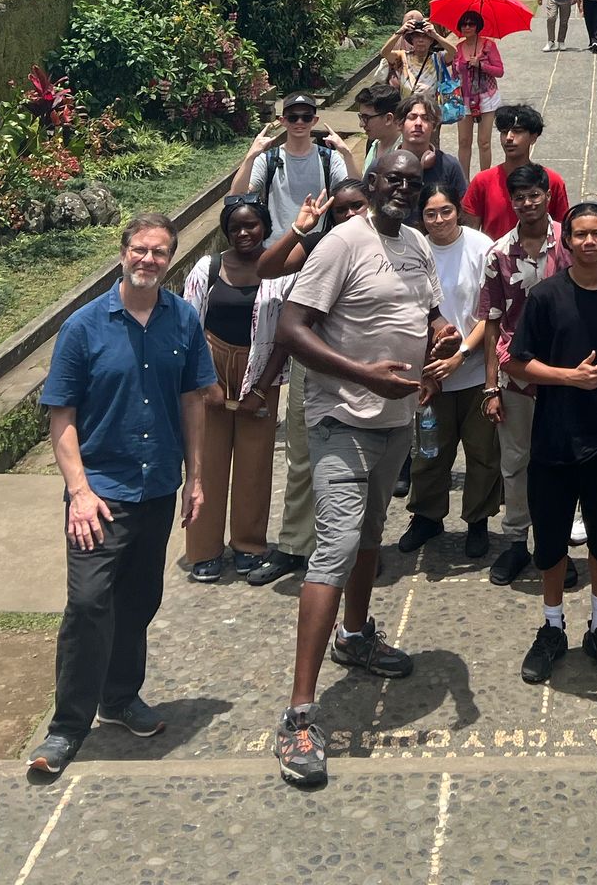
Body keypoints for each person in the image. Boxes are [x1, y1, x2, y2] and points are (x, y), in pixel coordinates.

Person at [272, 149, 446, 789]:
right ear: (371, 184)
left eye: (412, 181)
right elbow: (292, 327)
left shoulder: (417, 245)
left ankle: (356, 633)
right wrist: (364, 374)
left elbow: (429, 315)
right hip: (341, 417)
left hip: (394, 423)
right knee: (338, 546)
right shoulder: (342, 243)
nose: (401, 188)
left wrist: (444, 336)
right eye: (390, 179)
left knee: (371, 537)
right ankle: (298, 713)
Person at [28, 214, 216, 778]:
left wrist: (197, 477)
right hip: (100, 493)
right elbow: (61, 416)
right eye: (140, 250)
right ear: (122, 253)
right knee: (88, 605)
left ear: (171, 259)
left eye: (160, 253)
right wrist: (79, 493)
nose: (148, 260)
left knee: (138, 602)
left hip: (156, 485)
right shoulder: (83, 327)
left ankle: (120, 697)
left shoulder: (182, 320)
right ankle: (66, 728)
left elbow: (193, 402)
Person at [508, 201, 597, 687]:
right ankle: (552, 628)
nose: (589, 241)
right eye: (580, 234)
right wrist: (567, 378)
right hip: (554, 441)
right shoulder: (547, 296)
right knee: (549, 544)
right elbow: (517, 362)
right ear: (565, 241)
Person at [246, 179, 369, 587]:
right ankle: (296, 544)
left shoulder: (388, 243)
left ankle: (359, 549)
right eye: (342, 210)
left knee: (362, 460)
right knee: (301, 457)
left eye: (359, 206)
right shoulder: (319, 245)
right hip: (312, 364)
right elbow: (265, 270)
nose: (351, 215)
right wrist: (299, 229)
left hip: (364, 367)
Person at [181, 197, 291, 582]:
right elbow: (187, 327)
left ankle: (248, 544)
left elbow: (287, 333)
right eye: (236, 228)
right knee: (206, 463)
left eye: (252, 226)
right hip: (211, 370)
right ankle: (203, 549)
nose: (244, 233)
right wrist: (202, 382)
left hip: (261, 372)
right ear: (226, 231)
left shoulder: (282, 270)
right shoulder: (208, 268)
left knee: (255, 464)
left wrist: (262, 388)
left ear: (266, 227)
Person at [478, 162, 573, 586]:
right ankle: (517, 543)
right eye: (519, 197)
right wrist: (490, 386)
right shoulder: (498, 253)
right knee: (515, 463)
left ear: (547, 195)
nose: (528, 203)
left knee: (561, 463)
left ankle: (554, 548)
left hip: (564, 374)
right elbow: (492, 321)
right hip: (515, 375)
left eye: (535, 194)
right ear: (511, 202)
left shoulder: (570, 244)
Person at [399, 188, 500, 558]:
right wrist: (429, 367)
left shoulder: (480, 247)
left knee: (483, 453)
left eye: (446, 212)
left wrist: (460, 355)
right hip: (429, 375)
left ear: (458, 212)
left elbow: (490, 313)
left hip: (473, 371)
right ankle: (426, 517)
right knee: (429, 452)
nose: (439, 220)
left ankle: (478, 521)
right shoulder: (412, 249)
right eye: (430, 214)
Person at [229, 95, 358, 238]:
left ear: (315, 121)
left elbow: (357, 193)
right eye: (293, 117)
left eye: (306, 117)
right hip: (275, 248)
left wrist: (347, 154)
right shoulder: (267, 159)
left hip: (317, 246)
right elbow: (237, 197)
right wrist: (250, 157)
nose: (300, 122)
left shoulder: (329, 158)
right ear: (282, 120)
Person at [460, 103, 570, 239]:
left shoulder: (552, 181)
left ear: (533, 137)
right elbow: (470, 235)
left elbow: (563, 232)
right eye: (504, 132)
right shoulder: (482, 181)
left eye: (517, 131)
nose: (509, 138)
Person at [453, 8, 505, 181]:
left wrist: (481, 65)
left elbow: (499, 71)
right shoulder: (458, 48)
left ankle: (484, 180)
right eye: (464, 24)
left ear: (477, 26)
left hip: (486, 97)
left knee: (484, 142)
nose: (467, 27)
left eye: (471, 24)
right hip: (464, 98)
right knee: (464, 141)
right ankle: (464, 181)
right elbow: (454, 74)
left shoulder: (488, 46)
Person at [399, 89, 468, 213]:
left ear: (434, 126)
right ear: (400, 124)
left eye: (425, 118)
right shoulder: (382, 165)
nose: (418, 123)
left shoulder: (450, 165)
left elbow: (462, 210)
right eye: (412, 117)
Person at [383, 8, 458, 103]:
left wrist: (435, 35)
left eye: (425, 37)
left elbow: (454, 52)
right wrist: (400, 31)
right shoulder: (402, 56)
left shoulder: (438, 58)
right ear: (412, 40)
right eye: (417, 36)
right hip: (408, 108)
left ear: (431, 41)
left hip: (431, 109)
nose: (420, 40)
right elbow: (384, 52)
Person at [354, 85, 404, 171]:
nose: (361, 124)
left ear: (388, 118)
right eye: (361, 117)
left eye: (366, 118)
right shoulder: (372, 143)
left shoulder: (405, 151)